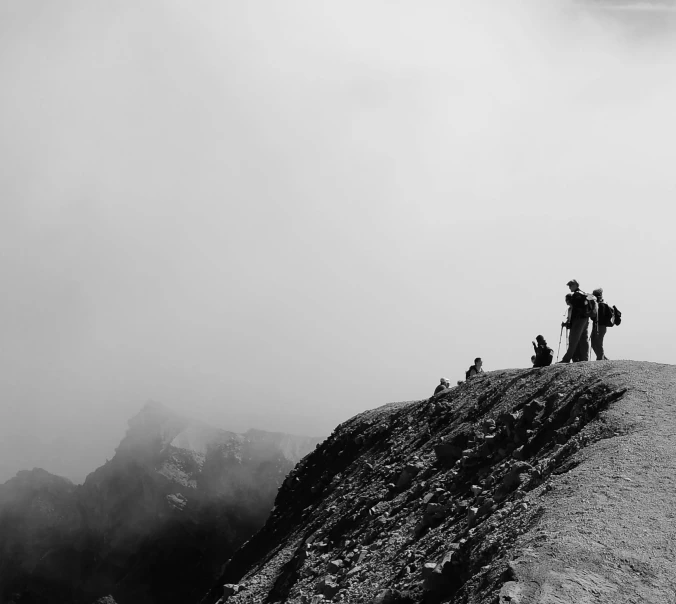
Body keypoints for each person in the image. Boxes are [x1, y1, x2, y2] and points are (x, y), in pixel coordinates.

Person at [558, 279, 590, 363]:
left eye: (570, 285)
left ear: (575, 285)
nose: (569, 287)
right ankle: (584, 359)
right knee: (583, 339)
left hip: (578, 319)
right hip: (585, 318)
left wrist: (571, 323)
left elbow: (575, 310)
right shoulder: (583, 294)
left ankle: (566, 359)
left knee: (573, 339)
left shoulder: (576, 295)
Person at [590, 287, 609, 360]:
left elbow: (597, 316)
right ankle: (602, 357)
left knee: (597, 343)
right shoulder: (600, 304)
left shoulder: (601, 305)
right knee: (594, 343)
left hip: (600, 326)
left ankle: (600, 358)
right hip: (598, 326)